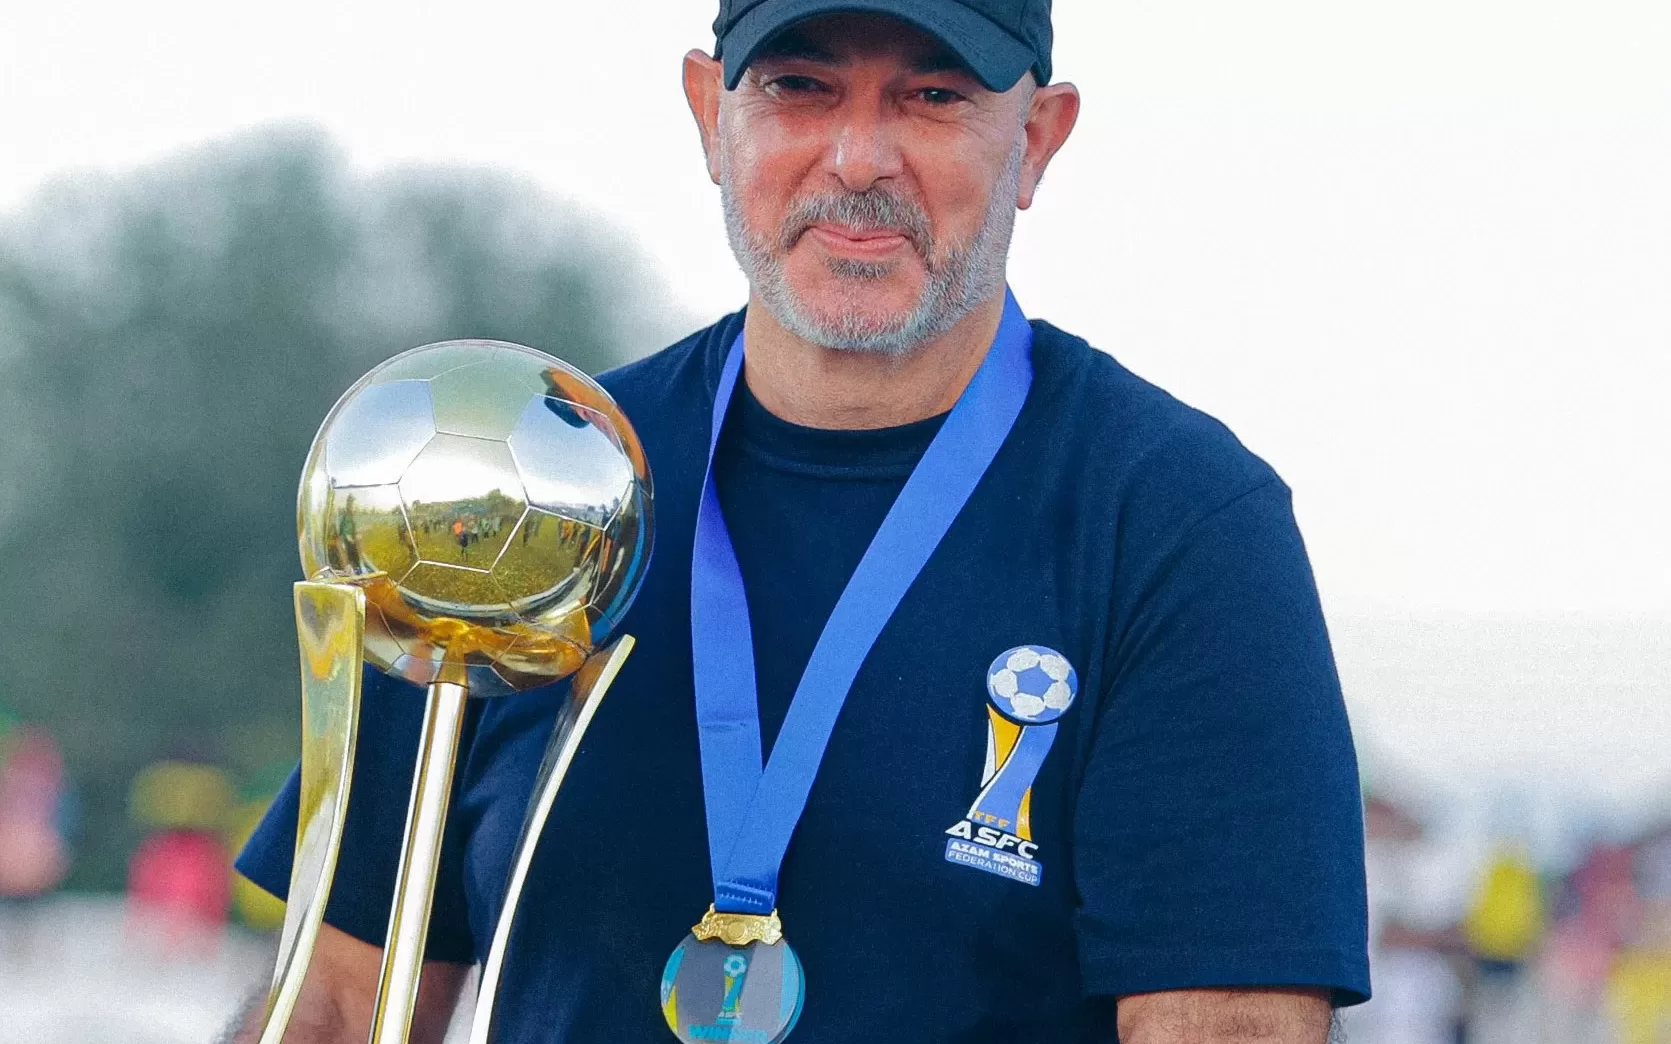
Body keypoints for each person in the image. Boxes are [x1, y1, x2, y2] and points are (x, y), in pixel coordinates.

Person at [233, 2, 1370, 1041]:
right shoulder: (529, 486)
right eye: (799, 87)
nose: (860, 158)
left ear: (1037, 141)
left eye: (934, 96)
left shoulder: (1178, 526)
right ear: (707, 114)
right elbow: (337, 1000)